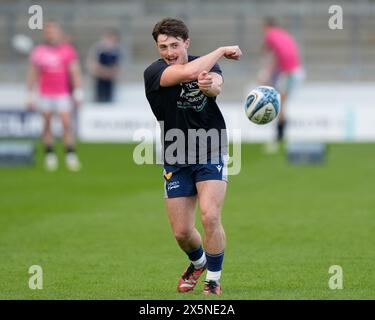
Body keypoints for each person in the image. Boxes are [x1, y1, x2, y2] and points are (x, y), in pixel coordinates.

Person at [144, 17, 242, 295]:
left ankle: (213, 279)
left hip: (211, 147)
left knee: (210, 216)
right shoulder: (153, 72)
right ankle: (197, 263)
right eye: (163, 46)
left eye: (174, 45)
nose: (168, 52)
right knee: (182, 233)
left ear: (186, 42)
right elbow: (187, 73)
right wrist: (222, 49)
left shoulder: (207, 65)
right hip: (175, 154)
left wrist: (208, 86)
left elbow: (215, 87)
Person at [26, 20, 83, 171]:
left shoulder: (67, 50)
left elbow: (74, 73)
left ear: (58, 33)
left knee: (66, 124)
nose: (50, 34)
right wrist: (30, 94)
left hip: (62, 93)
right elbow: (33, 73)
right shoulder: (39, 51)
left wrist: (78, 92)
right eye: (47, 32)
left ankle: (70, 155)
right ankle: (49, 155)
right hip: (45, 94)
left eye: (52, 31)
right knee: (47, 125)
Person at [258, 17, 304, 153]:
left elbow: (270, 54)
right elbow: (282, 56)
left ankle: (279, 137)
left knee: (279, 103)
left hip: (290, 73)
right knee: (280, 103)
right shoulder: (283, 35)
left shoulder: (271, 36)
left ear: (266, 27)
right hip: (293, 71)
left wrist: (266, 74)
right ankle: (280, 136)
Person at [87, 29, 121, 103]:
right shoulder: (98, 49)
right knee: (99, 100)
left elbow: (118, 66)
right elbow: (92, 64)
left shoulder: (116, 50)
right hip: (99, 79)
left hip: (110, 80)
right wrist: (103, 72)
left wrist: (110, 73)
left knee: (109, 100)